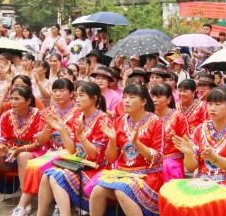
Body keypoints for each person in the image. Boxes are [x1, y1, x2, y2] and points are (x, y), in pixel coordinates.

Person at [37, 82, 111, 216]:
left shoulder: (103, 120)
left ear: (94, 99)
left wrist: (82, 137)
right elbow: (72, 151)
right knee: (47, 174)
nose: (76, 99)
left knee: (56, 175)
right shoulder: (79, 117)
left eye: (81, 95)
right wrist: (61, 129)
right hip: (80, 164)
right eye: (76, 95)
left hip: (95, 168)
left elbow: (95, 155)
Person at [89, 83, 163, 216]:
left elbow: (157, 158)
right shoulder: (119, 121)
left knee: (122, 190)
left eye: (132, 97)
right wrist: (112, 141)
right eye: (125, 97)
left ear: (144, 101)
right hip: (123, 173)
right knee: (97, 189)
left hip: (146, 175)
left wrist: (136, 143)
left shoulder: (155, 121)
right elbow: (111, 158)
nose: (126, 100)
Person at [14, 78, 80, 216]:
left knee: (47, 165)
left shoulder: (79, 111)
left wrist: (60, 124)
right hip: (50, 150)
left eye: (62, 90)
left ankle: (57, 205)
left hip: (72, 152)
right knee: (33, 165)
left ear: (72, 93)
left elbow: (76, 140)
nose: (57, 94)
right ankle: (22, 206)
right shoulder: (47, 111)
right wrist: (48, 127)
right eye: (55, 90)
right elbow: (42, 142)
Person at [0, 86, 41, 216]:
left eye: (17, 99)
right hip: (11, 153)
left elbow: (38, 143)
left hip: (31, 153)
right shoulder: (6, 115)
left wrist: (19, 150)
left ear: (28, 101)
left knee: (23, 156)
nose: (13, 102)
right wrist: (0, 147)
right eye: (11, 99)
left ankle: (23, 204)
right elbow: (0, 138)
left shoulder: (38, 114)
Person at [150, 83, 189, 182]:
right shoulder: (149, 116)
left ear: (169, 99)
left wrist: (175, 139)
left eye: (159, 97)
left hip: (173, 162)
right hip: (151, 159)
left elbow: (188, 143)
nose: (154, 100)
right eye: (153, 96)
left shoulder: (178, 117)